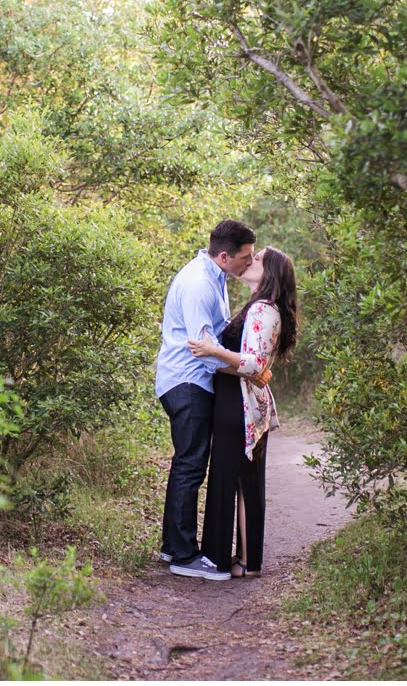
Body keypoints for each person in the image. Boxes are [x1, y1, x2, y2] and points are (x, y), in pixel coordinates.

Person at [155, 220, 262, 582]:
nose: (248, 263)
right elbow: (204, 350)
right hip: (188, 381)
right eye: (244, 257)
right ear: (223, 255)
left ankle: (173, 545)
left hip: (189, 381)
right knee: (191, 465)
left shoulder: (213, 276)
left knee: (187, 463)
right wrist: (248, 369)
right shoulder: (200, 283)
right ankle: (184, 555)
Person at [189, 246, 298, 579]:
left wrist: (212, 351)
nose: (250, 261)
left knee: (233, 480)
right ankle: (245, 560)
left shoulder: (263, 310)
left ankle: (233, 561)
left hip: (239, 405)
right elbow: (254, 364)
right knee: (241, 481)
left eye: (259, 259)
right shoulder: (258, 307)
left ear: (270, 274)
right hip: (237, 400)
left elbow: (254, 364)